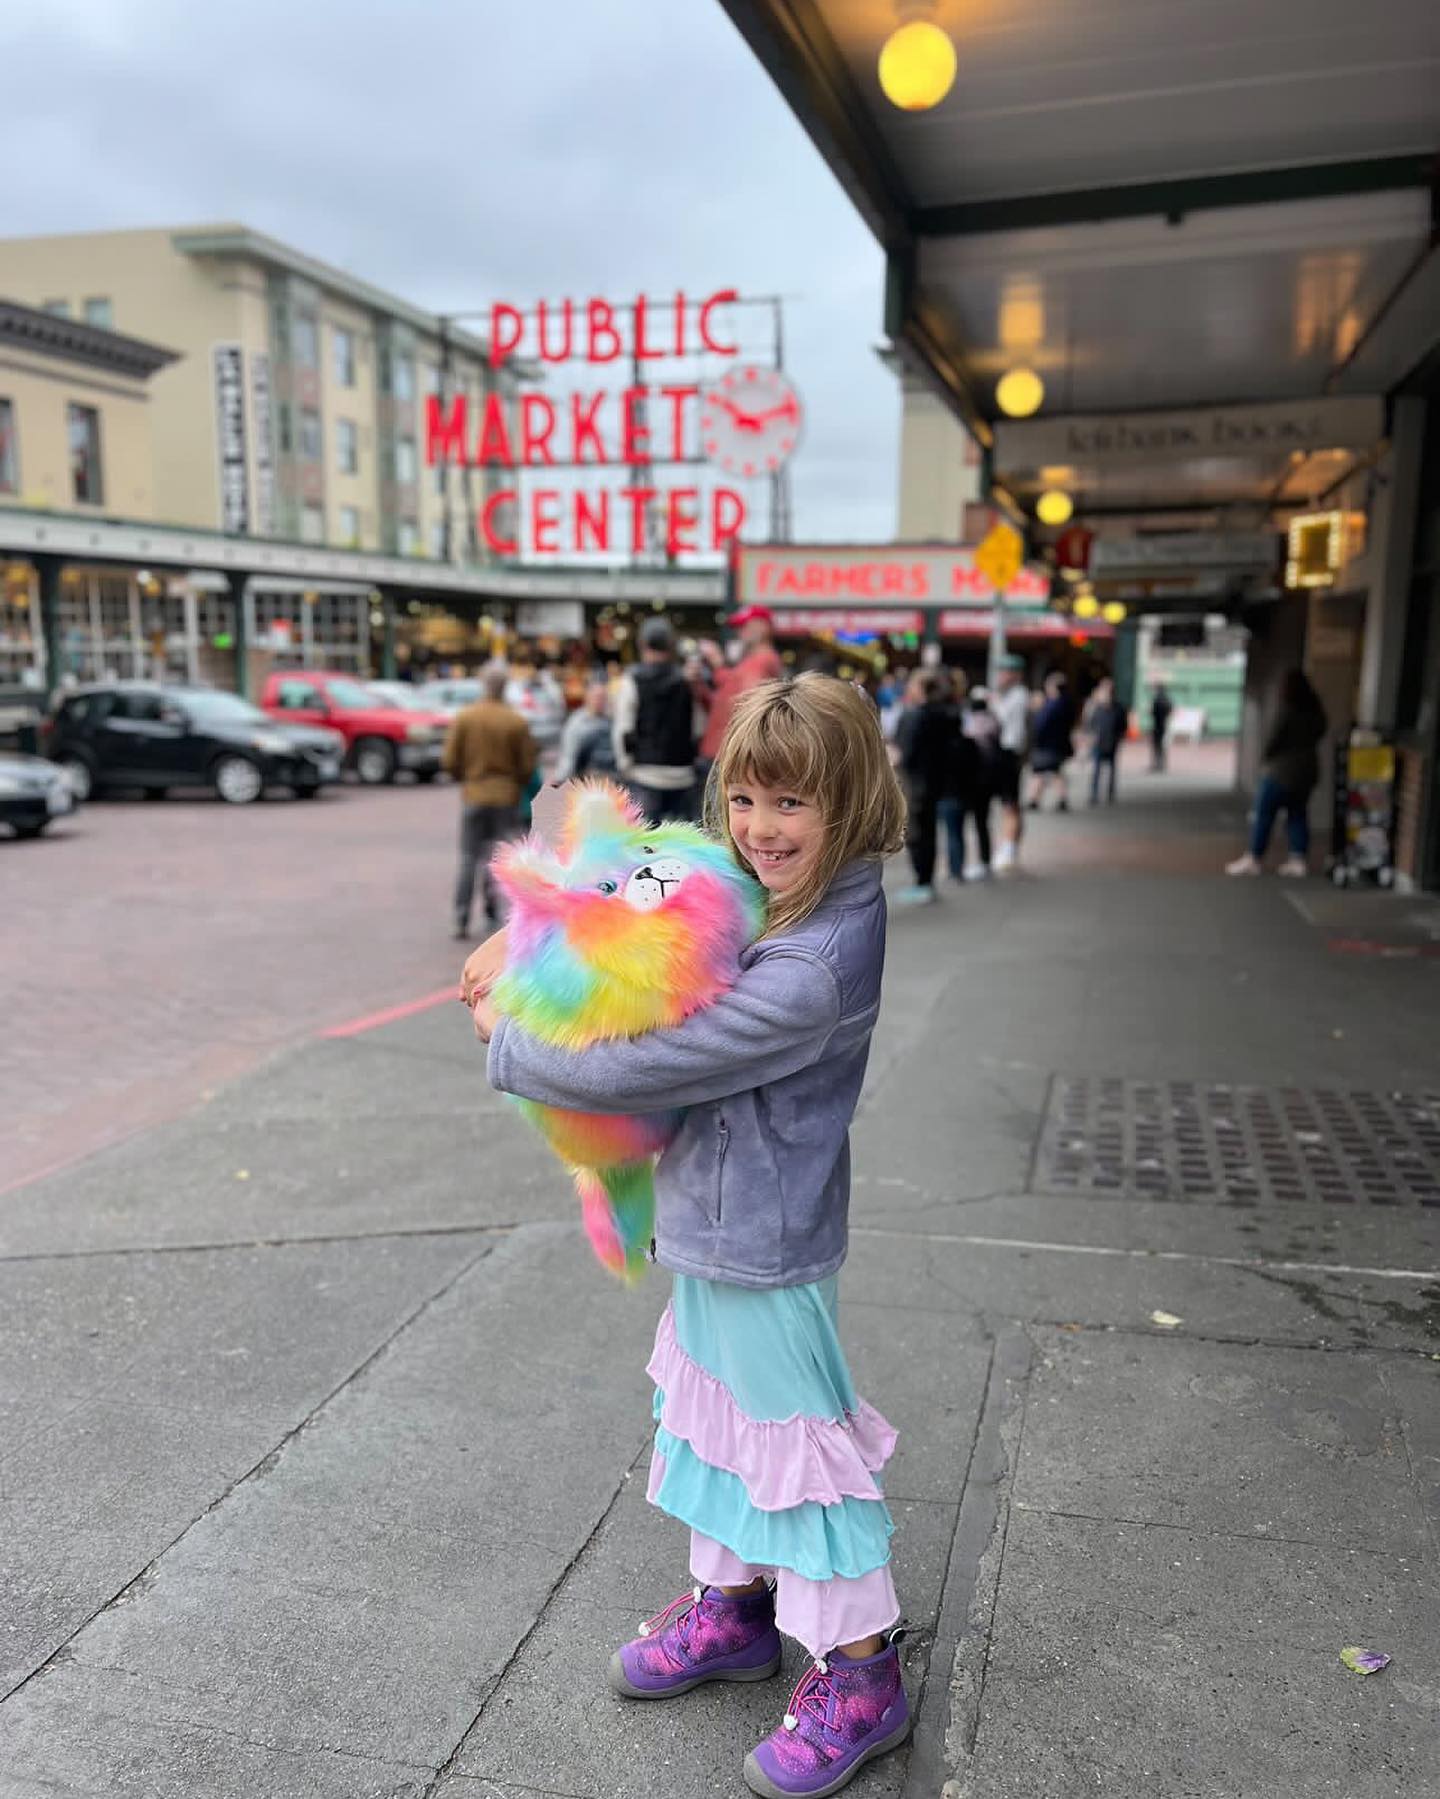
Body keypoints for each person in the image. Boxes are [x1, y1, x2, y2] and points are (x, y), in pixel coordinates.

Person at [464, 676, 911, 1799]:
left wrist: (506, 1035)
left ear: (849, 806)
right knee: (713, 1407)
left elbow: (647, 1063)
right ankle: (737, 1608)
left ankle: (864, 1673)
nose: (760, 827)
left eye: (792, 806)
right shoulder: (749, 872)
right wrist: (519, 950)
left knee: (796, 1447)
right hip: (712, 1215)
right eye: (747, 796)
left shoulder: (814, 965)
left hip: (764, 1231)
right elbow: (634, 875)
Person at [441, 662, 535, 940]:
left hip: (475, 794)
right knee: (500, 860)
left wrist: (467, 777)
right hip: (506, 797)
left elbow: (449, 760)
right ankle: (497, 915)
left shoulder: (466, 718)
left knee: (469, 857)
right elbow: (527, 766)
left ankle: (461, 917)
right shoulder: (515, 721)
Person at [1226, 668, 1328, 877]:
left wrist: (1265, 758)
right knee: (1297, 814)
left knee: (1264, 813)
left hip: (1281, 771)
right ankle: (1298, 859)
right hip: (1307, 770)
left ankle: (1254, 857)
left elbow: (1274, 739)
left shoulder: (1287, 710)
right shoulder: (1316, 712)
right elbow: (1322, 731)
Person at [613, 617, 703, 822]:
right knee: (682, 848)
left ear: (642, 644)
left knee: (644, 847)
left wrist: (625, 765)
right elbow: (698, 727)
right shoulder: (687, 680)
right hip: (683, 774)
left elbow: (624, 728)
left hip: (644, 775)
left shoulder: (632, 679)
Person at [896, 669, 959, 904]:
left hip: (915, 784)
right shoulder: (946, 714)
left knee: (916, 834)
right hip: (935, 782)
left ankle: (922, 882)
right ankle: (926, 882)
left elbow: (905, 753)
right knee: (929, 832)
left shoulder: (914, 716)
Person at [699, 605, 785, 768]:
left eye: (745, 626)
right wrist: (699, 686)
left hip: (731, 756)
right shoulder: (749, 660)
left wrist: (718, 664)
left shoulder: (764, 659)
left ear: (763, 627)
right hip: (724, 753)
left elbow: (744, 702)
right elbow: (723, 704)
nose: (740, 633)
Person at [990, 656, 1030, 870]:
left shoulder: (1017, 696)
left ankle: (1009, 849)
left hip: (1009, 752)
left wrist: (993, 701)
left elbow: (1002, 718)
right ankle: (1009, 847)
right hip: (1008, 752)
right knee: (1010, 803)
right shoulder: (1013, 695)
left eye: (1005, 672)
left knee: (1010, 804)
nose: (1001, 676)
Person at [959, 685, 1001, 878]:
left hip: (970, 782)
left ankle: (963, 865)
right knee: (983, 823)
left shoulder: (968, 727)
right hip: (989, 781)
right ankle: (985, 862)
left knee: (966, 824)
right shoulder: (994, 723)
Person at [1027, 672, 1076, 812]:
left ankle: (1036, 799)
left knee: (1042, 771)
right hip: (1057, 744)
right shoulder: (1065, 703)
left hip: (1048, 744)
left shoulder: (1053, 706)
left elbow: (1041, 725)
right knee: (1052, 772)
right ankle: (1038, 799)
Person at [552, 676, 617, 782]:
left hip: (613, 779)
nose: (600, 701)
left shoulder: (612, 721)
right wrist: (559, 779)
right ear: (587, 697)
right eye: (597, 697)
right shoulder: (577, 723)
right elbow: (569, 756)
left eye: (603, 697)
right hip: (587, 779)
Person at [1082, 675, 1129, 806]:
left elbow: (1123, 725)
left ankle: (1110, 793)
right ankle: (1094, 794)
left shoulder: (1118, 707)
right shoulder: (1096, 707)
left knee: (1111, 769)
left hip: (1112, 741)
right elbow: (1089, 723)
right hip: (1098, 742)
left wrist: (1119, 737)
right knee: (1096, 769)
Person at [504, 660, 568, 755]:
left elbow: (560, 713)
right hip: (526, 742)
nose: (527, 672)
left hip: (551, 742)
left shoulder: (551, 687)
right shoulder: (513, 688)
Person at [1149, 682, 1174, 772]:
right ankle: (1162, 764)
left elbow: (1152, 711)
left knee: (1156, 745)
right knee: (1163, 745)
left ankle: (1156, 763)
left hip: (1157, 724)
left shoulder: (1156, 699)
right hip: (1164, 724)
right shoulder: (1167, 699)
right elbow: (1171, 710)